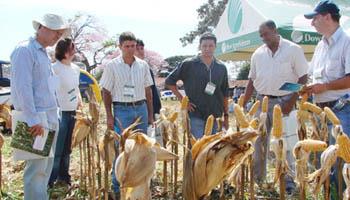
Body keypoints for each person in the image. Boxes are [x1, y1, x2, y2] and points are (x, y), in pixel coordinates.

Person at [243, 20, 308, 194]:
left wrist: (291, 100)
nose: (263, 38)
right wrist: (243, 103)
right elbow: (252, 79)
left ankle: (288, 182)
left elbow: (303, 78)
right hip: (262, 102)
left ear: (275, 30)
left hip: (284, 101)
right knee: (259, 143)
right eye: (261, 35)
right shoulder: (258, 54)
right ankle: (258, 180)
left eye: (266, 34)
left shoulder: (293, 49)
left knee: (285, 143)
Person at [10, 13, 70, 199]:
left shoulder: (43, 53)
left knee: (44, 168)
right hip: (36, 119)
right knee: (36, 169)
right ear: (42, 28)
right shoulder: (24, 50)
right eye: (55, 31)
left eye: (60, 33)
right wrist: (32, 119)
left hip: (49, 116)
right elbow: (22, 88)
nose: (58, 36)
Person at [303, 1, 350, 198]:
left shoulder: (347, 42)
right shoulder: (320, 45)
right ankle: (327, 194)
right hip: (319, 113)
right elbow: (312, 74)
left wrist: (326, 87)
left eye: (315, 18)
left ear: (327, 17)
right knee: (322, 159)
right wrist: (305, 88)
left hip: (341, 110)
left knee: (339, 159)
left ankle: (339, 195)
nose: (312, 23)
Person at [100, 31, 154, 199]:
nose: (130, 49)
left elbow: (148, 91)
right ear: (120, 47)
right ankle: (118, 188)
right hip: (121, 110)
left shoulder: (143, 65)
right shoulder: (112, 66)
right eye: (127, 46)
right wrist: (109, 115)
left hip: (141, 108)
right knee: (121, 149)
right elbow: (105, 91)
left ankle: (139, 186)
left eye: (133, 46)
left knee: (142, 147)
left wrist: (151, 114)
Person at [165, 32, 229, 139]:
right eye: (204, 46)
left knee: (213, 150)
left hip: (215, 116)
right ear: (200, 46)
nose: (207, 48)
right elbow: (169, 81)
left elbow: (225, 93)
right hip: (195, 115)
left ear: (215, 47)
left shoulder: (221, 67)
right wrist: (183, 101)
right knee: (197, 149)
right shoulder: (188, 64)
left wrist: (226, 116)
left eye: (211, 46)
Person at [48, 38, 82, 187]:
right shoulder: (54, 68)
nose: (74, 51)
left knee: (67, 147)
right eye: (71, 48)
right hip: (60, 112)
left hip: (72, 112)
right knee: (57, 147)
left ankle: (64, 176)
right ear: (64, 51)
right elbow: (51, 90)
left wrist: (79, 101)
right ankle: (51, 178)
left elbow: (76, 88)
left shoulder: (76, 69)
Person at [135, 39, 162, 118]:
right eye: (137, 49)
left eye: (142, 48)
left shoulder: (146, 68)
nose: (140, 51)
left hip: (150, 109)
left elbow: (152, 91)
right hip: (138, 109)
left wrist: (157, 109)